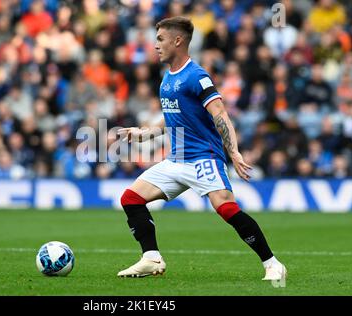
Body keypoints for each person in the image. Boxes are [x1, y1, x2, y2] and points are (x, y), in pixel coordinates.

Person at [117, 17, 287, 281]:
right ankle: (151, 257)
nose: (155, 45)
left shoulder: (197, 76)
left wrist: (234, 153)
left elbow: (220, 115)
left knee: (227, 208)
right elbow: (172, 118)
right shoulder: (167, 78)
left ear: (178, 41)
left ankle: (273, 263)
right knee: (131, 199)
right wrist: (144, 133)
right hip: (175, 160)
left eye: (160, 39)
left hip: (202, 158)